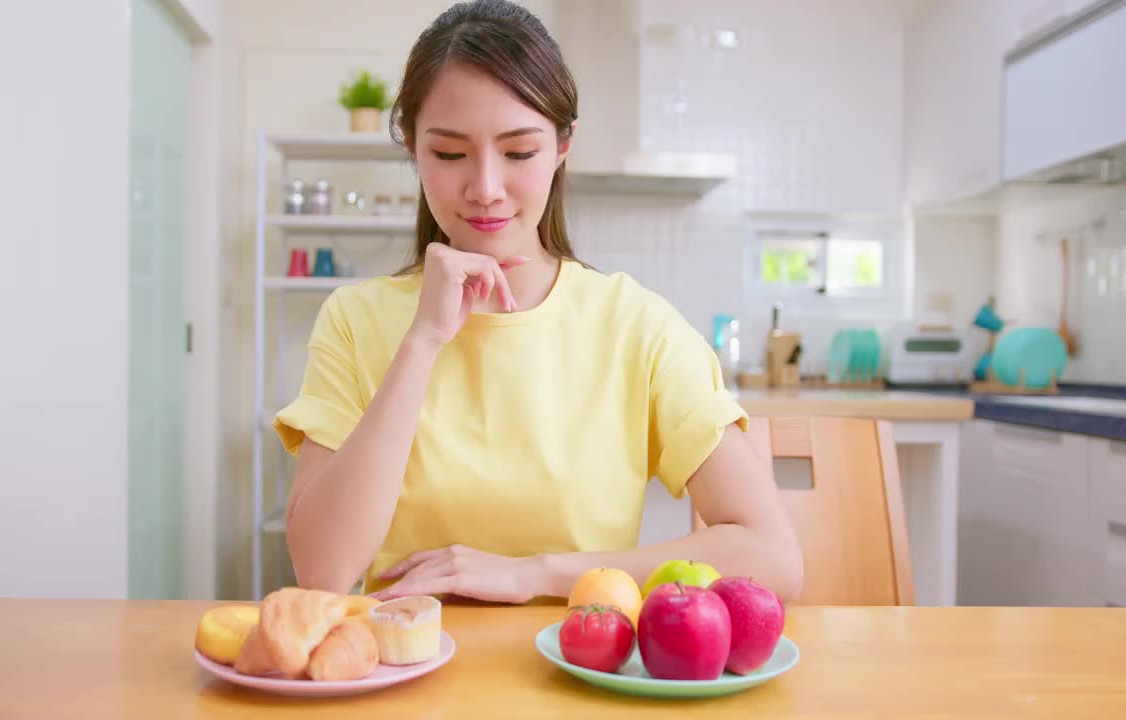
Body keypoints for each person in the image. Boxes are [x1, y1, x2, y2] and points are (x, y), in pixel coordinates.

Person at [273, 0, 803, 605]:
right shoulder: (355, 320)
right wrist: (421, 341)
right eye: (449, 154)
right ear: (413, 150)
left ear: (562, 147)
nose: (486, 189)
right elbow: (321, 573)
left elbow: (773, 557)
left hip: (582, 676)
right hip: (403, 678)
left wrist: (532, 574)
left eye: (519, 152)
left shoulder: (637, 327)